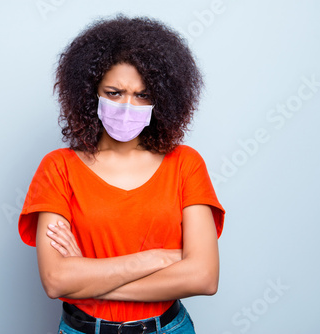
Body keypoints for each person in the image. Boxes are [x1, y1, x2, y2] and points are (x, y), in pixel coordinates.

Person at [18, 15, 225, 334]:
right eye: (114, 92)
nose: (127, 106)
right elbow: (57, 280)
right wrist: (157, 258)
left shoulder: (185, 163)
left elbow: (203, 277)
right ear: (91, 93)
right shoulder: (58, 168)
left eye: (142, 95)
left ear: (161, 99)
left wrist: (88, 279)